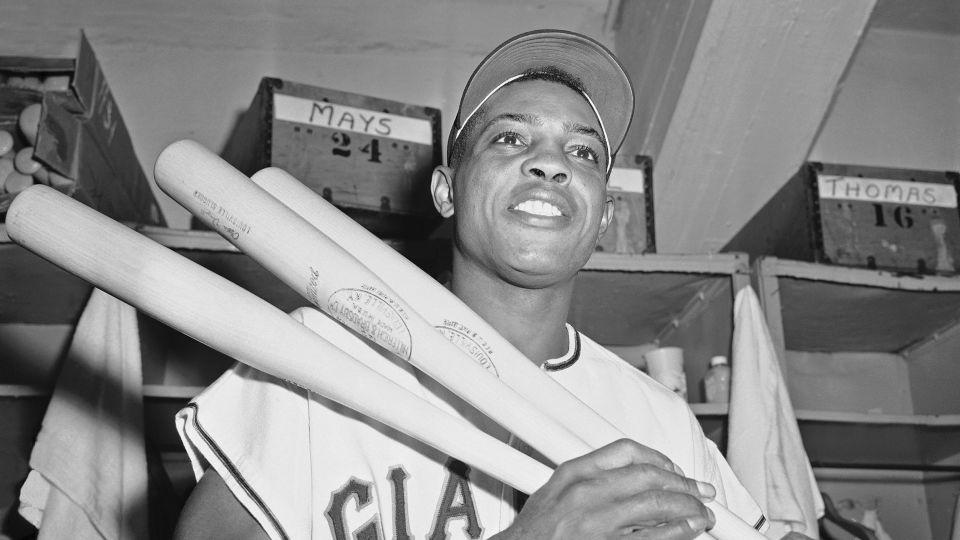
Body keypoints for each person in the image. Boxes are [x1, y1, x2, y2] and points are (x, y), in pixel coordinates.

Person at [173, 29, 786, 539]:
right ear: (446, 191)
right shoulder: (313, 358)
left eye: (584, 152)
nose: (552, 163)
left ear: (603, 216)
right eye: (511, 138)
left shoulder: (659, 420)